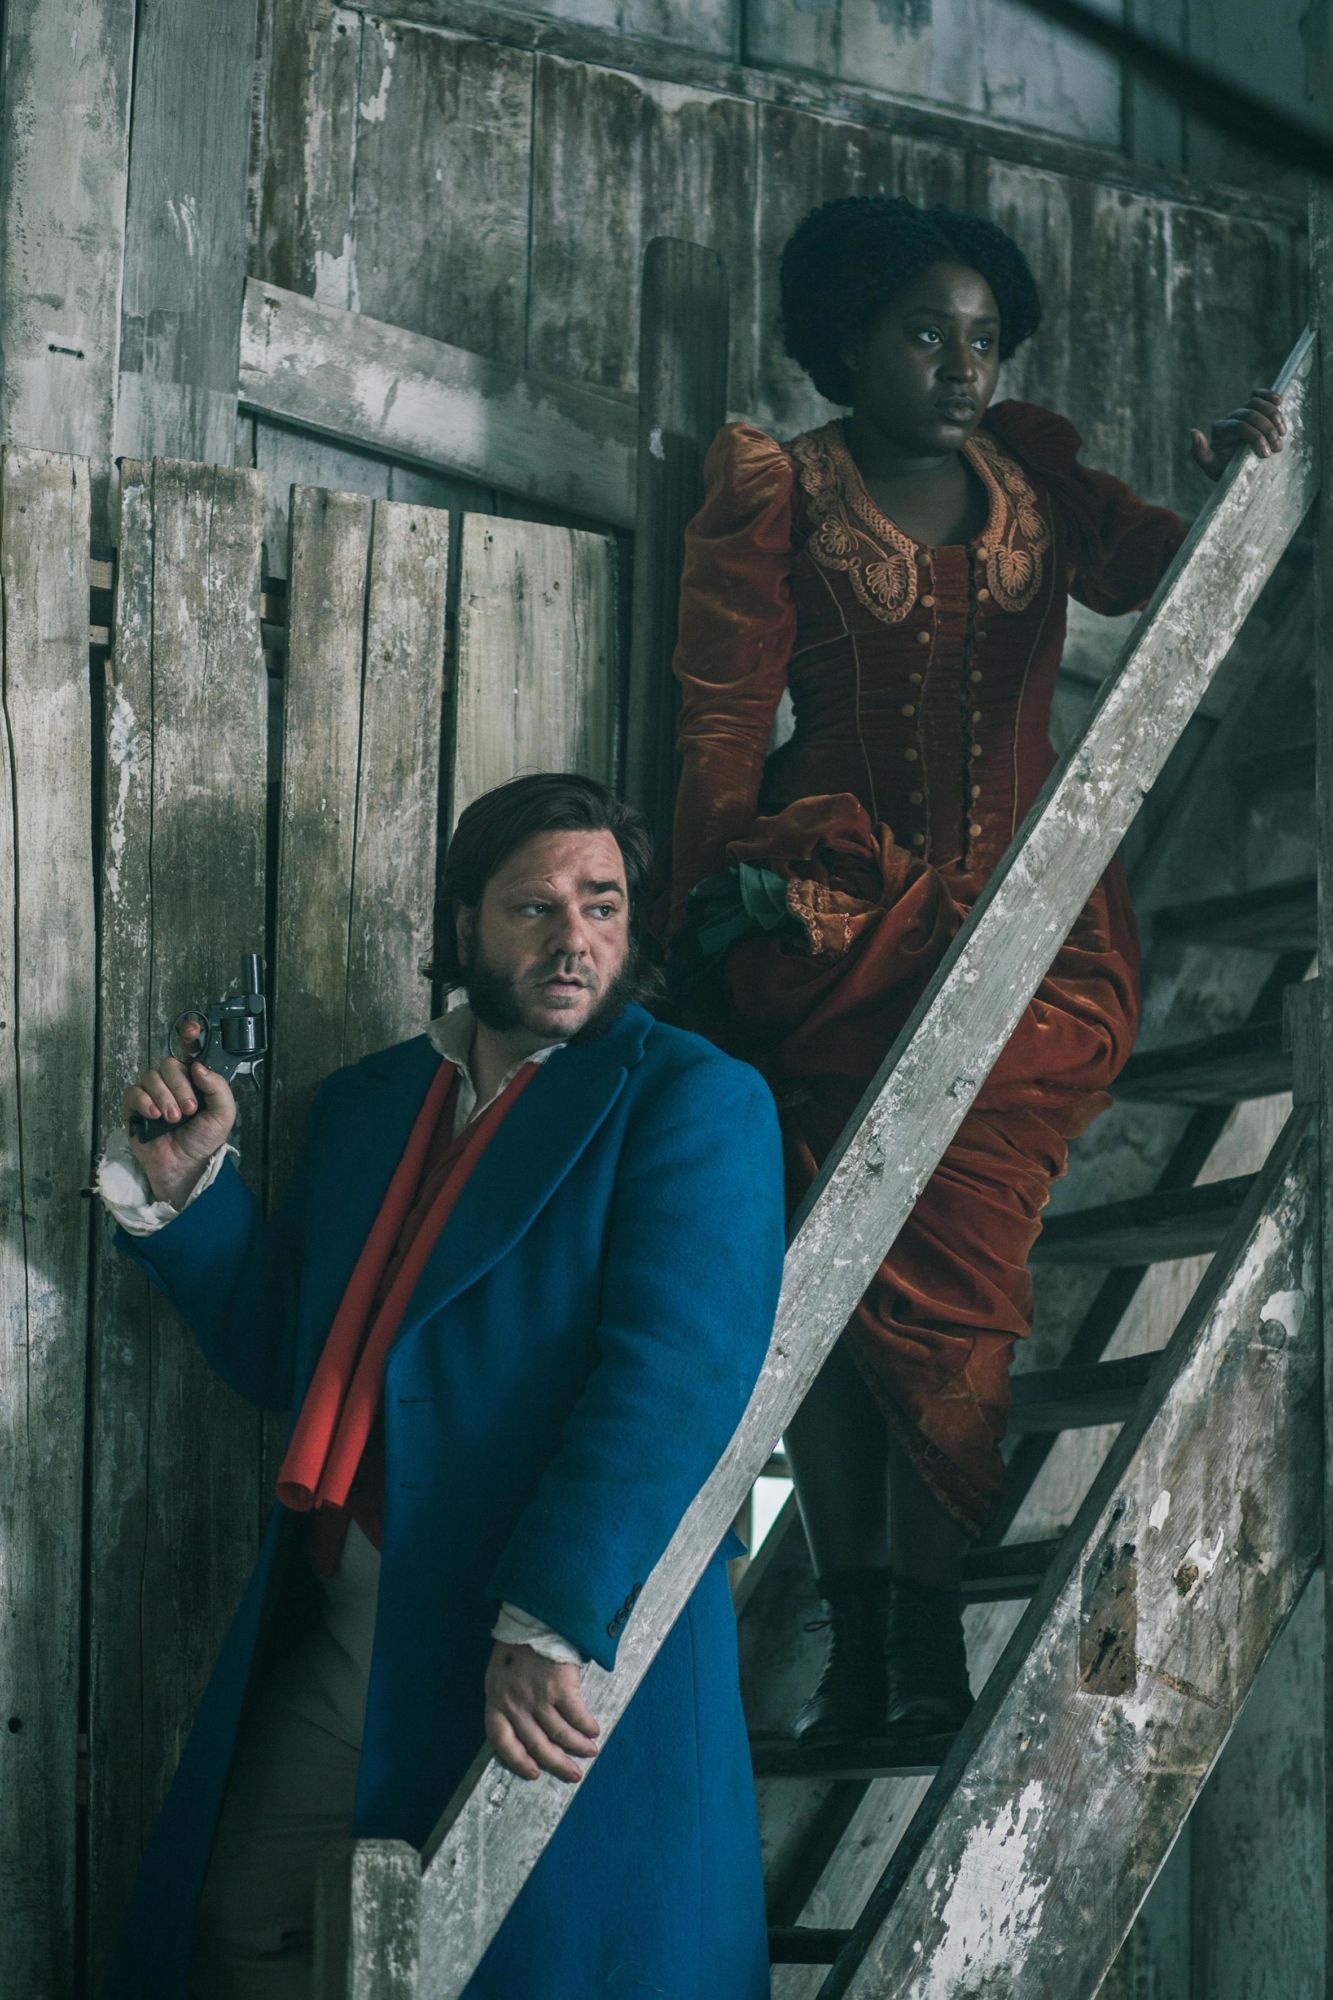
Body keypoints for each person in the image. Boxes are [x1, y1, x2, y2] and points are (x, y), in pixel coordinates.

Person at [665, 193, 1285, 1747]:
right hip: (839, 936)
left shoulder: (1036, 472)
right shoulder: (777, 488)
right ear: (847, 341)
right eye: (925, 335)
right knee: (836, 1284)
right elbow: (722, 726)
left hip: (1037, 939)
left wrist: (1235, 473)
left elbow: (1157, 574)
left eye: (984, 339)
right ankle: (860, 1653)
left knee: (972, 1280)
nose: (960, 366)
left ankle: (927, 1648)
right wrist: (700, 928)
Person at [95, 773, 786, 2000]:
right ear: (465, 922)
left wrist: (548, 1617)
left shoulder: (691, 1096)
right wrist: (191, 1187)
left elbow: (675, 1378)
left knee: (535, 1975)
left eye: (602, 904)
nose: (574, 938)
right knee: (239, 1928)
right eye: (534, 906)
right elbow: (292, 1353)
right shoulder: (369, 1101)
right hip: (353, 1618)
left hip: (542, 1624)